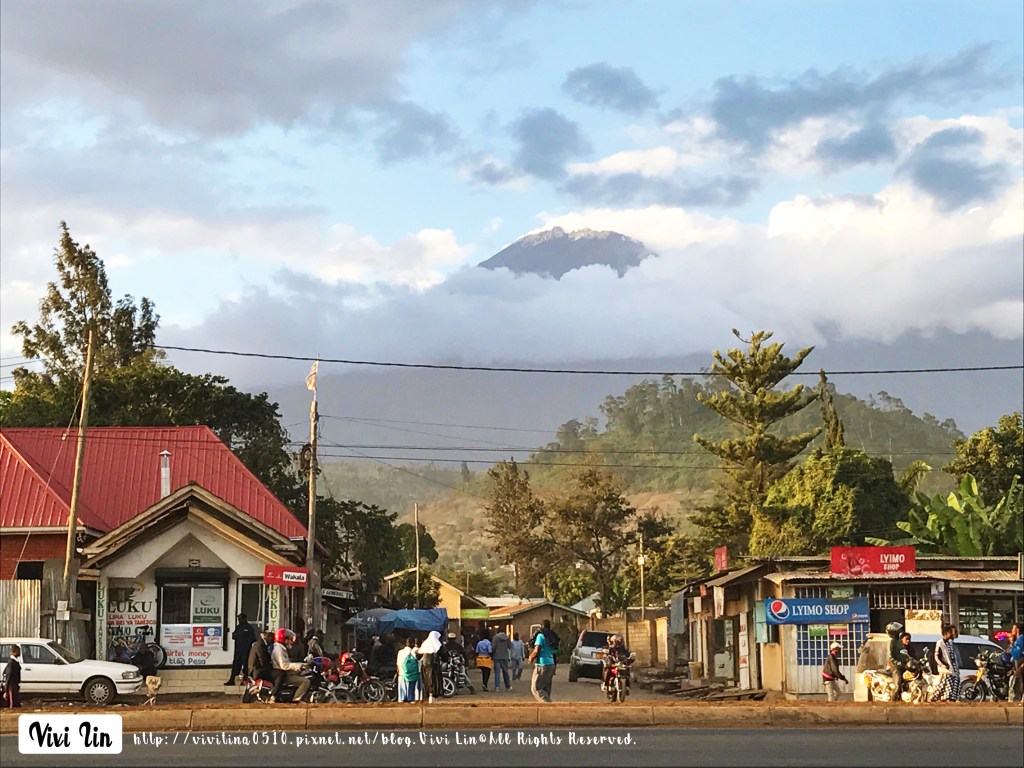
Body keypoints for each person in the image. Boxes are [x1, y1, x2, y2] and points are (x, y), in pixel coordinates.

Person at [271, 628, 310, 703]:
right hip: (284, 674)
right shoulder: (278, 650)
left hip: (287, 672)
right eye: (289, 639)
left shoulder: (281, 648)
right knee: (306, 681)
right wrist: (299, 666)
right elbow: (284, 665)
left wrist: (302, 665)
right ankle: (296, 700)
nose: (290, 641)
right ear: (283, 639)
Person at [225, 613, 257, 685]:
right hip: (238, 650)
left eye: (241, 618)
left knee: (245, 665)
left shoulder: (249, 627)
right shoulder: (238, 627)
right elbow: (234, 636)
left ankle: (245, 680)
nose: (239, 620)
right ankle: (232, 679)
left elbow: (253, 638)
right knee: (236, 664)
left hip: (246, 650)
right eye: (238, 619)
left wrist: (249, 647)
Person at [931, 624, 960, 702]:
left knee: (956, 681)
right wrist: (943, 665)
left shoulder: (950, 643)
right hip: (945, 668)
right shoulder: (940, 643)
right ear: (946, 633)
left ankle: (952, 698)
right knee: (945, 684)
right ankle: (940, 698)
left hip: (953, 667)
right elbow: (936, 656)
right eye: (951, 632)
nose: (953, 634)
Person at [528, 622, 555, 703]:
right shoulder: (551, 637)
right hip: (551, 664)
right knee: (546, 689)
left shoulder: (540, 636)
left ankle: (548, 705)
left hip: (542, 664)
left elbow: (536, 650)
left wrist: (531, 657)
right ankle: (545, 710)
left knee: (536, 688)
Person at [418, 630, 443, 704]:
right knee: (434, 681)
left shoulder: (425, 643)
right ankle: (433, 697)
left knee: (427, 680)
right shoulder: (437, 645)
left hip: (425, 665)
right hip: (433, 666)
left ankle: (428, 695)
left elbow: (419, 655)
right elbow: (443, 654)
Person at [886, 621, 906, 702]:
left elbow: (904, 653)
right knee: (897, 685)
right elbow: (890, 656)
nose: (900, 632)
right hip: (895, 667)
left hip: (902, 665)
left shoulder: (899, 641)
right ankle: (892, 701)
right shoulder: (891, 642)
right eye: (898, 631)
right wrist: (897, 662)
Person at [396, 637, 421, 703]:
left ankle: (402, 699)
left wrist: (398, 673)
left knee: (402, 691)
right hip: (411, 674)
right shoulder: (413, 652)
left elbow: (398, 664)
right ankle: (411, 699)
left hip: (401, 673)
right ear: (412, 643)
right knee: (411, 688)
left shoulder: (400, 652)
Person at [1, 644, 21, 708]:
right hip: (11, 686)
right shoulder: (12, 663)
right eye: (18, 651)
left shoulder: (14, 661)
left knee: (16, 702)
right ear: (14, 652)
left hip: (14, 685)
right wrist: (6, 691)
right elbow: (8, 677)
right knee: (13, 703)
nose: (19, 652)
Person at [1009, 622, 1024, 704]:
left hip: (1021, 668)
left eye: (1013, 628)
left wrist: (1020, 668)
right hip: (1017, 668)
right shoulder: (1017, 640)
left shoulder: (1021, 640)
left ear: (1017, 630)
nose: (1011, 630)